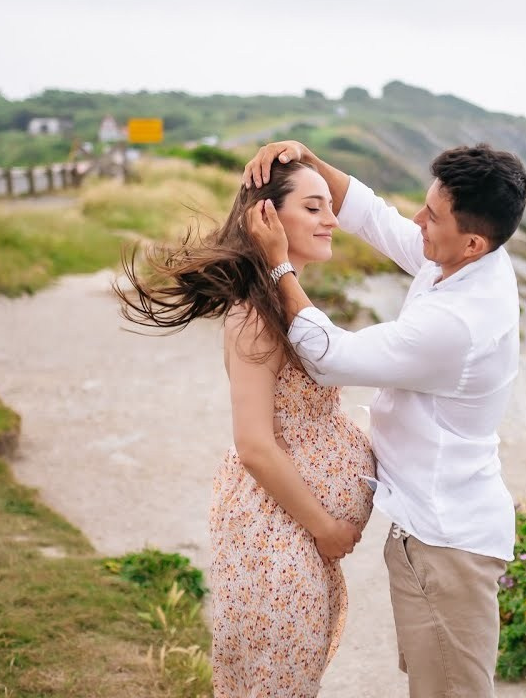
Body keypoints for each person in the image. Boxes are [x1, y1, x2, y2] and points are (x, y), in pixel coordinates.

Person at [245, 140, 526, 697]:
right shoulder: (464, 255)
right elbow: (377, 218)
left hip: (448, 543)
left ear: (472, 241)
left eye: (433, 216)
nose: (418, 221)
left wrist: (278, 265)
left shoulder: (462, 323)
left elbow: (335, 359)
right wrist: (309, 160)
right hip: (432, 531)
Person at [115, 159, 374, 697]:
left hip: (294, 534)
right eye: (312, 206)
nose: (330, 219)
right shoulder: (255, 317)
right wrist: (326, 527)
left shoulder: (283, 301)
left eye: (329, 206)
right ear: (266, 216)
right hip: (276, 534)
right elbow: (254, 445)